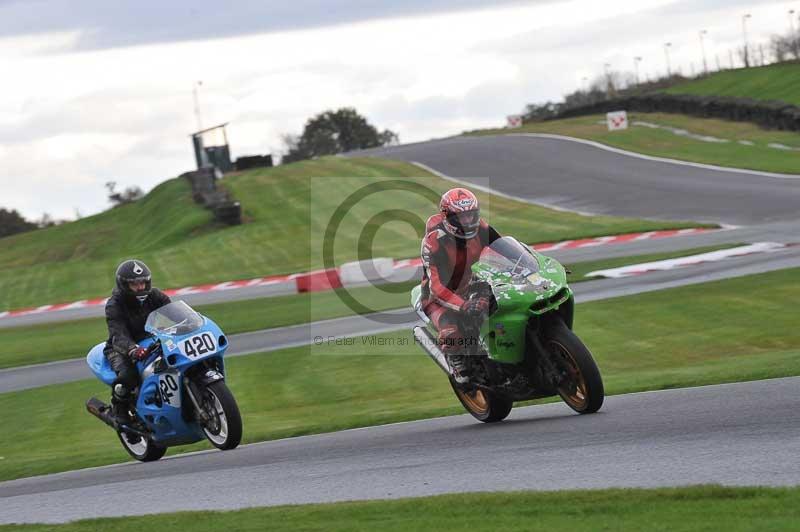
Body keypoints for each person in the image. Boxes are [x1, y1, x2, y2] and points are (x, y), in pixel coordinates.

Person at [420, 187, 501, 383]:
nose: (468, 222)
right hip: (438, 297)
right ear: (448, 217)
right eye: (462, 218)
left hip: (474, 283)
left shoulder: (481, 228)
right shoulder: (433, 242)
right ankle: (455, 360)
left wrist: (534, 266)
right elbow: (436, 287)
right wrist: (463, 305)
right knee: (453, 334)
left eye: (471, 215)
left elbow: (505, 248)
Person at [104, 259, 171, 424]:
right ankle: (119, 411)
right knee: (128, 375)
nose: (141, 287)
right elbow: (118, 334)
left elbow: (174, 314)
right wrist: (132, 349)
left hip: (153, 342)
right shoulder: (115, 305)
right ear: (124, 285)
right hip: (120, 348)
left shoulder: (155, 296)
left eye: (143, 282)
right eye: (135, 284)